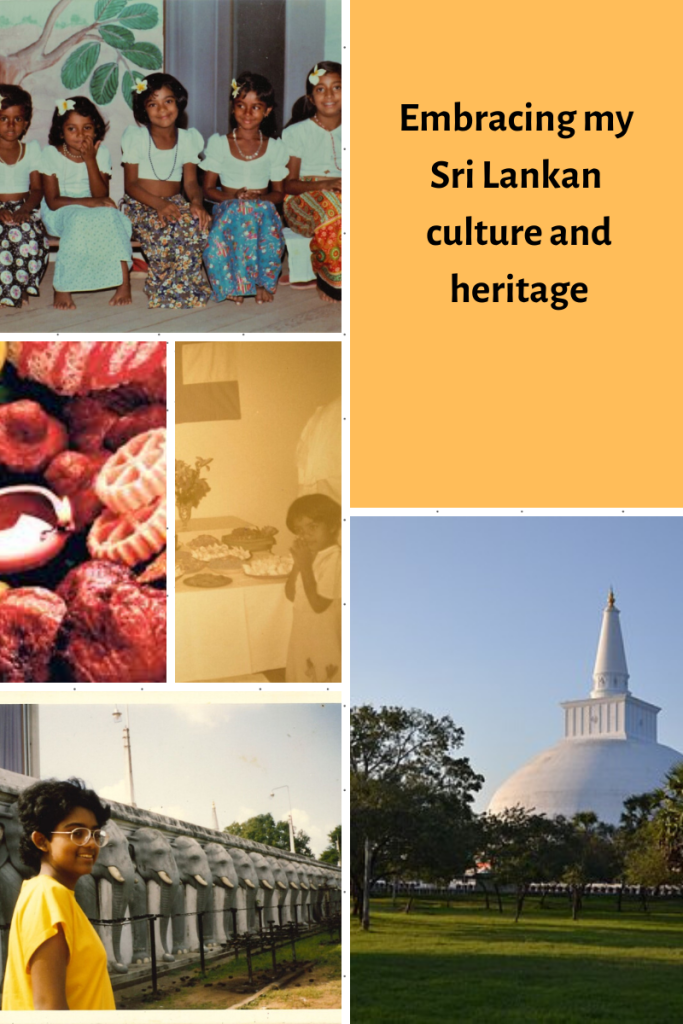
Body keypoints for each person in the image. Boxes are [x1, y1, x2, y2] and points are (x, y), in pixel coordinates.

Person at [1, 777, 116, 1011]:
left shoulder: (55, 896)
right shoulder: (47, 897)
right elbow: (48, 1008)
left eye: (95, 834)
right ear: (42, 841)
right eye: (76, 833)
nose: (91, 844)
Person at [121, 73, 211, 308]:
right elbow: (130, 185)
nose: (162, 109)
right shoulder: (136, 137)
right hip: (140, 203)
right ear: (144, 109)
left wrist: (196, 203)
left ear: (178, 103)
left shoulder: (188, 138)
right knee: (163, 226)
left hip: (174, 199)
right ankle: (161, 287)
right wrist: (159, 204)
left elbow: (191, 182)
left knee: (195, 225)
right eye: (153, 103)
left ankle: (187, 286)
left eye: (168, 101)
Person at [38, 96, 133, 311]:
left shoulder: (102, 152)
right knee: (79, 218)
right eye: (72, 129)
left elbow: (102, 193)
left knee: (112, 216)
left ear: (96, 129)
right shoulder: (51, 154)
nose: (81, 135)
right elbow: (53, 201)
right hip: (61, 210)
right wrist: (90, 202)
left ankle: (124, 282)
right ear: (61, 132)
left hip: (93, 205)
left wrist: (91, 159)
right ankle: (63, 286)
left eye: (87, 127)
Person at [201, 71, 287, 306]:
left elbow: (279, 192)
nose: (247, 113)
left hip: (263, 210)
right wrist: (234, 196)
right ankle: (234, 282)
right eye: (241, 105)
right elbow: (208, 189)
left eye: (256, 107)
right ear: (233, 107)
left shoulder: (274, 147)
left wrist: (260, 197)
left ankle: (261, 282)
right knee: (239, 213)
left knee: (260, 215)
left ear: (267, 111)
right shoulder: (220, 143)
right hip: (227, 206)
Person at [282, 61, 341, 303]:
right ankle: (332, 282)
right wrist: (325, 185)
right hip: (302, 200)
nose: (329, 95)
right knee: (334, 204)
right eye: (320, 89)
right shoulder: (296, 133)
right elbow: (288, 184)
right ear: (310, 97)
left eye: (337, 87)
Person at [0, 84, 49, 307]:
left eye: (17, 119)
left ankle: (22, 285)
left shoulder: (32, 150)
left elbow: (37, 189)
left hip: (23, 206)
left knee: (27, 234)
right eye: (3, 118)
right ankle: (8, 289)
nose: (11, 125)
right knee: (6, 235)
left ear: (26, 123)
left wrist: (25, 209)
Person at [285, 493, 341, 682]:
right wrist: (298, 564)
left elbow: (319, 605)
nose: (305, 535)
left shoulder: (336, 559)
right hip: (303, 635)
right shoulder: (311, 556)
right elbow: (291, 594)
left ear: (333, 526)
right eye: (300, 530)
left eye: (313, 527)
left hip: (323, 639)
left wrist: (305, 566)